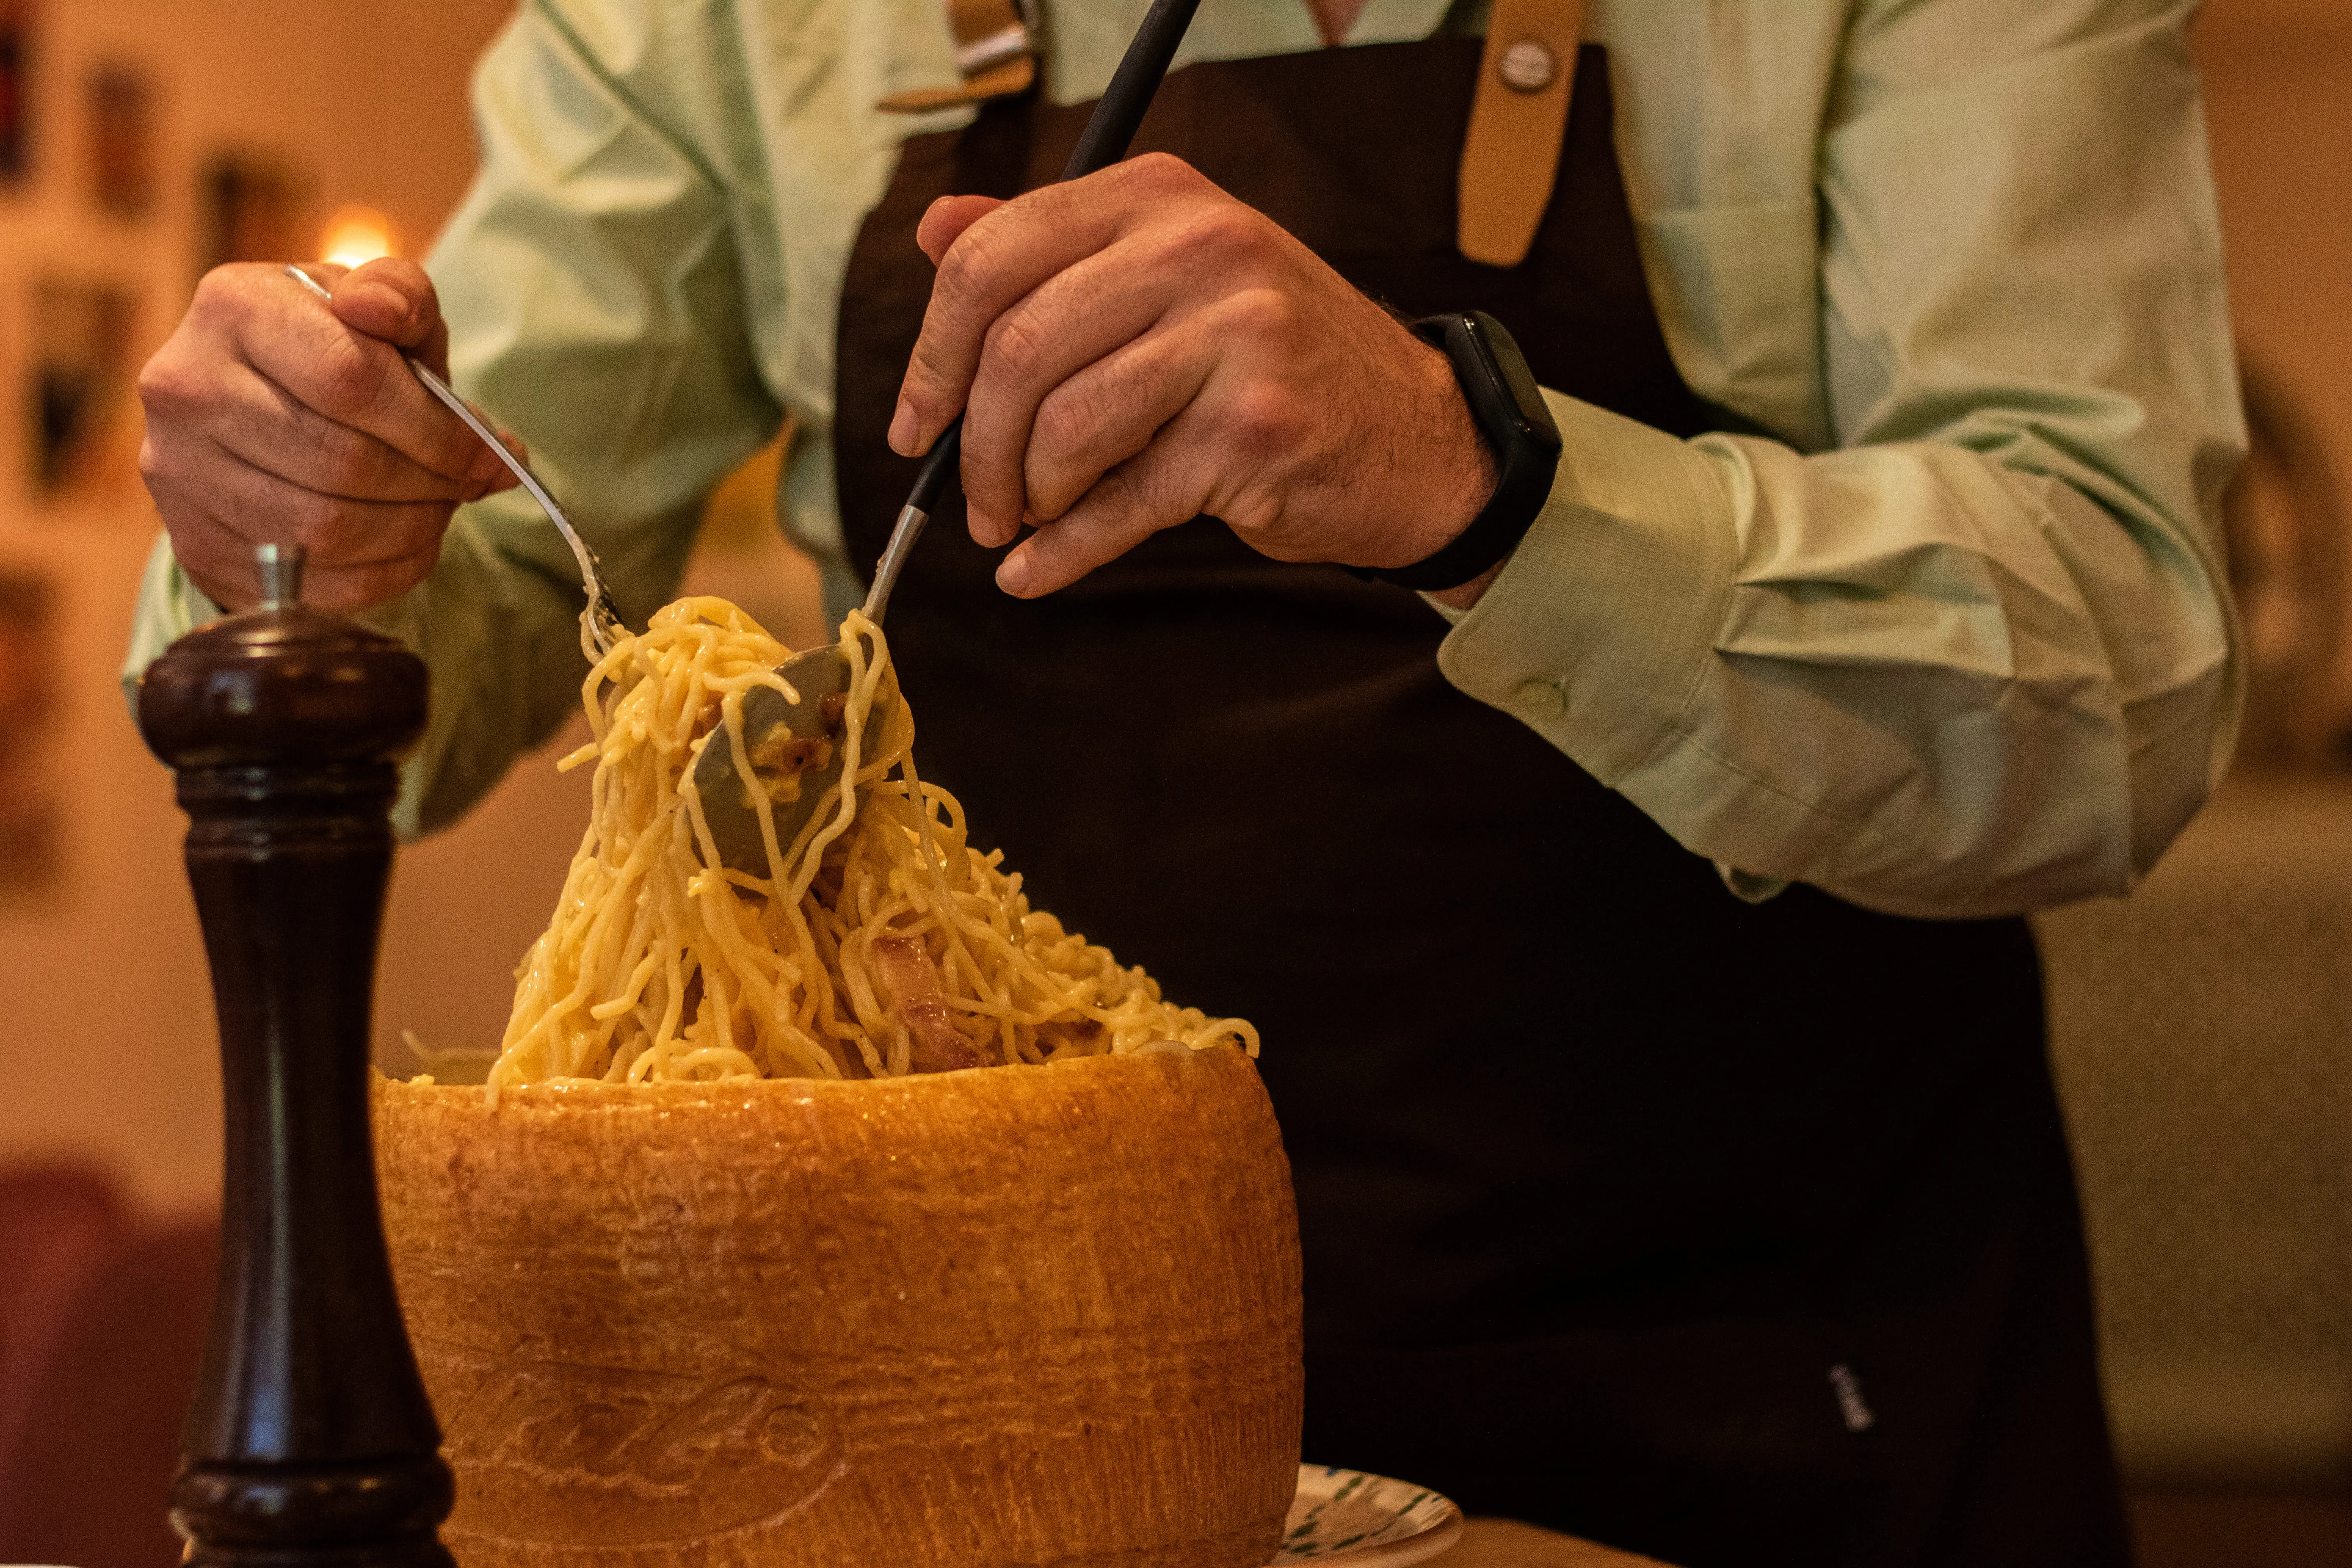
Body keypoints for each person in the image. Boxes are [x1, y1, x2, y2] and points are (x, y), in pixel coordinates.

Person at [127, 1, 2242, 1563]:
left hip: (1763, 1410)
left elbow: (2118, 685)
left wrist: (1485, 479)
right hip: (982, 1442)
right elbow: (466, 596)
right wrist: (295, 523)